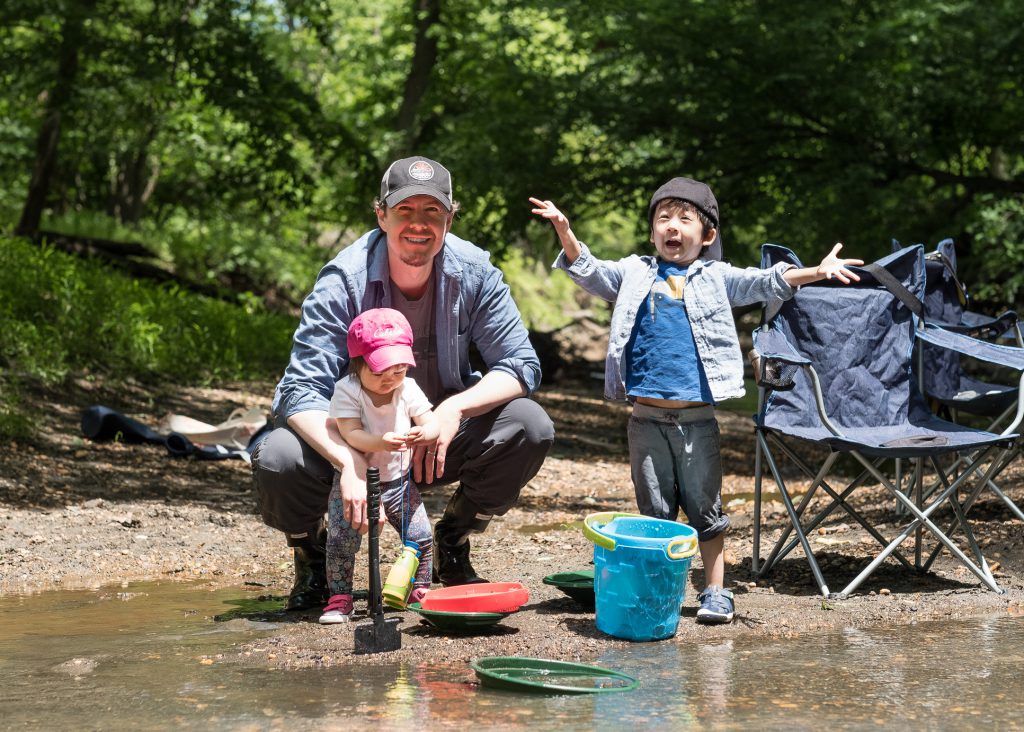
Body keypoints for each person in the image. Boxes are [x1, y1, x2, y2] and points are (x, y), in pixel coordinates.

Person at [530, 177, 862, 623]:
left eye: (685, 219)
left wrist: (816, 272)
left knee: (705, 510)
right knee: (655, 511)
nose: (672, 226)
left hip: (697, 421)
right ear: (652, 233)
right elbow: (589, 270)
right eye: (663, 218)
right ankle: (660, 590)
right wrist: (565, 231)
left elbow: (766, 281)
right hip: (645, 420)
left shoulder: (716, 277)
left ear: (707, 237)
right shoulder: (634, 273)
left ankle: (716, 592)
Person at [253, 155, 554, 611]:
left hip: (435, 441)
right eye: (404, 210)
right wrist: (350, 457)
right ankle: (312, 557)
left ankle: (452, 540)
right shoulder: (343, 280)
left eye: (432, 211)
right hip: (354, 439)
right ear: (381, 215)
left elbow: (521, 364)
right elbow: (298, 391)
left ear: (450, 219)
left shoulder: (476, 273)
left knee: (530, 425)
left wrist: (452, 411)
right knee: (278, 458)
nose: (418, 224)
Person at [320, 308, 438, 623]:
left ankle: (418, 589)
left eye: (398, 371)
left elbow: (431, 421)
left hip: (399, 481)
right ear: (358, 365)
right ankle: (340, 597)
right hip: (360, 479)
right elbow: (349, 433)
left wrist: (425, 432)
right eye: (380, 373)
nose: (390, 380)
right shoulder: (348, 390)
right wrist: (381, 442)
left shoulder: (407, 389)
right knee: (342, 540)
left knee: (421, 535)